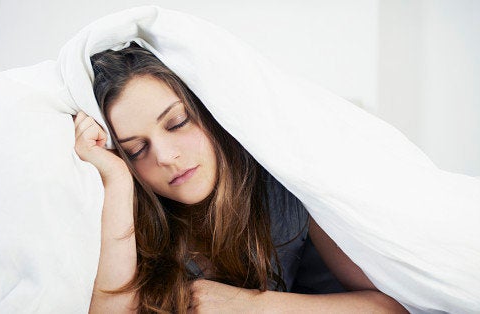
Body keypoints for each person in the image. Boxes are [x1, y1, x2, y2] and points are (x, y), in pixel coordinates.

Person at [74, 42, 406, 313]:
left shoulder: (285, 187)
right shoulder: (131, 215)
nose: (165, 157)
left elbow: (389, 309)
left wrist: (250, 305)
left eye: (176, 123)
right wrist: (116, 177)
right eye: (135, 151)